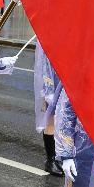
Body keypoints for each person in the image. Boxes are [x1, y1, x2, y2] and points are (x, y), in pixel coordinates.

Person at [34, 47, 64, 176]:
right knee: (51, 118)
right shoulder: (48, 33)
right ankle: (51, 159)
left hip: (67, 78)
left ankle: (61, 156)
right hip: (52, 80)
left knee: (65, 120)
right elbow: (44, 63)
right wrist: (48, 89)